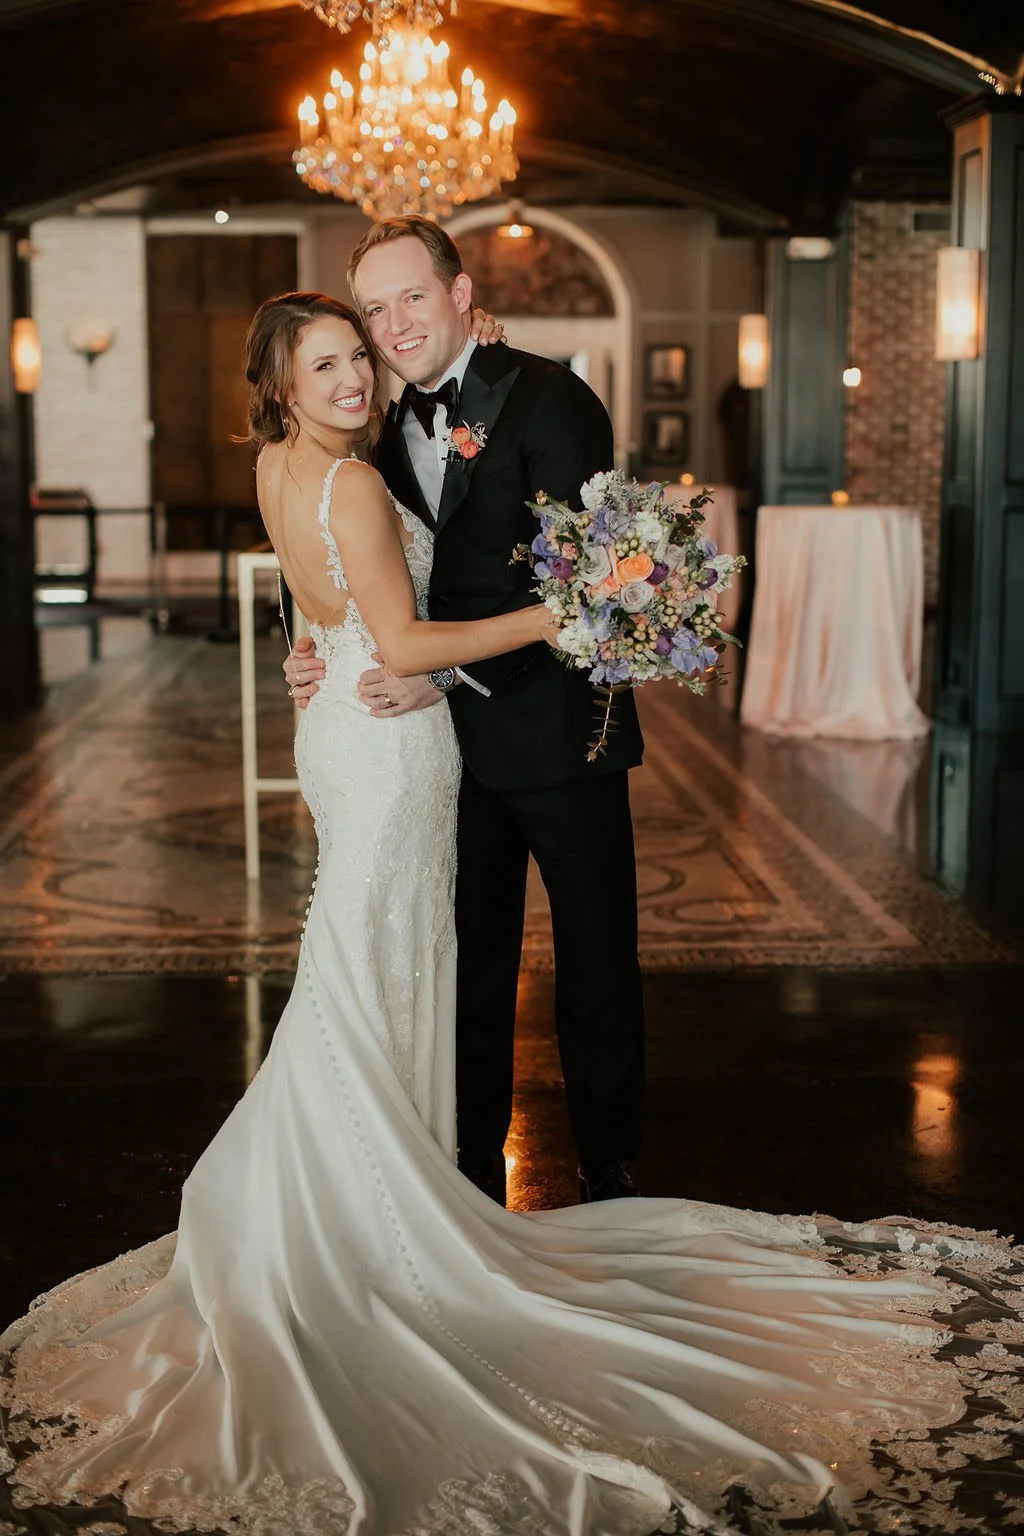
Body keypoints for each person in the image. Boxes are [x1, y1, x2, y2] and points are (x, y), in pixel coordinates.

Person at [3, 291, 1022, 1536]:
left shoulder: (385, 440)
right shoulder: (357, 475)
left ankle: (451, 1179)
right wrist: (553, 612)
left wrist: (312, 640)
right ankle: (393, 1211)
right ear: (281, 390)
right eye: (331, 356)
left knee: (395, 956)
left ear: (454, 301)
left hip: (409, 738)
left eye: (367, 343)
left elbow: (337, 578)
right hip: (400, 739)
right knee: (399, 957)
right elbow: (397, 625)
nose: (359, 370)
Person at [284, 216, 646, 1208]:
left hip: (562, 736)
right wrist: (318, 643)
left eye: (410, 296)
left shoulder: (551, 398)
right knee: (468, 968)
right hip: (441, 757)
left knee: (595, 965)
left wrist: (443, 677)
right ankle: (469, 1173)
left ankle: (610, 1171)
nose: (392, 323)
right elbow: (366, 572)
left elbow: (591, 590)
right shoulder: (377, 431)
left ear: (458, 292)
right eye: (373, 306)